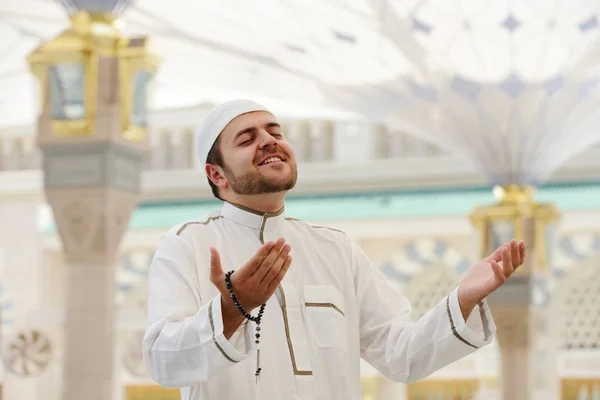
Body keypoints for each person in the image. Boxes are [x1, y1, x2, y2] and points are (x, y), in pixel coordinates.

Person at [142, 99, 525, 400]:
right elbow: (163, 361)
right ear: (217, 174)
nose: (269, 140)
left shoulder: (334, 248)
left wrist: (463, 299)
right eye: (247, 138)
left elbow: (400, 354)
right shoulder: (188, 244)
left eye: (274, 131)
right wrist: (230, 310)